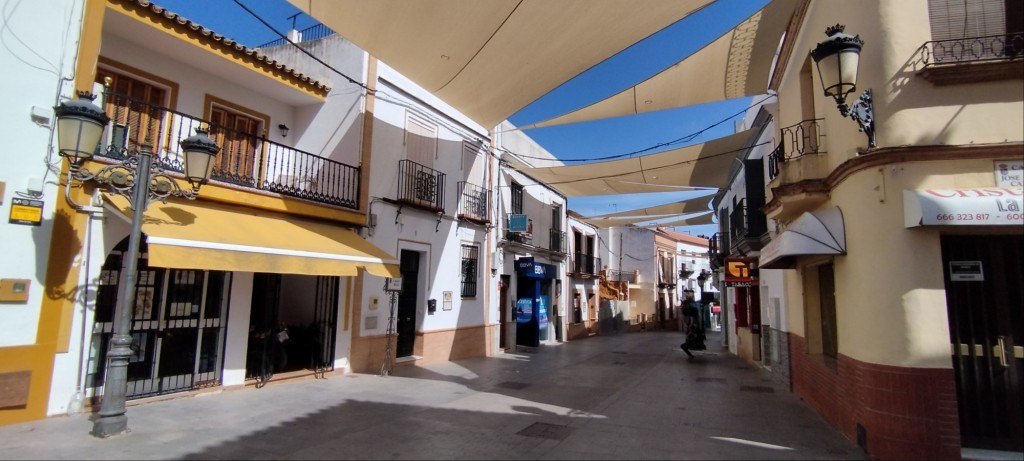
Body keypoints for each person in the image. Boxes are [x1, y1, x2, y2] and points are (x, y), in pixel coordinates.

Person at [680, 290, 706, 358]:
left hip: (694, 342)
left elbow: (693, 334)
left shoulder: (692, 324)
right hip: (695, 340)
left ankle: (690, 356)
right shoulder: (694, 314)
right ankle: (690, 355)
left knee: (683, 346)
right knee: (684, 346)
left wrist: (689, 335)